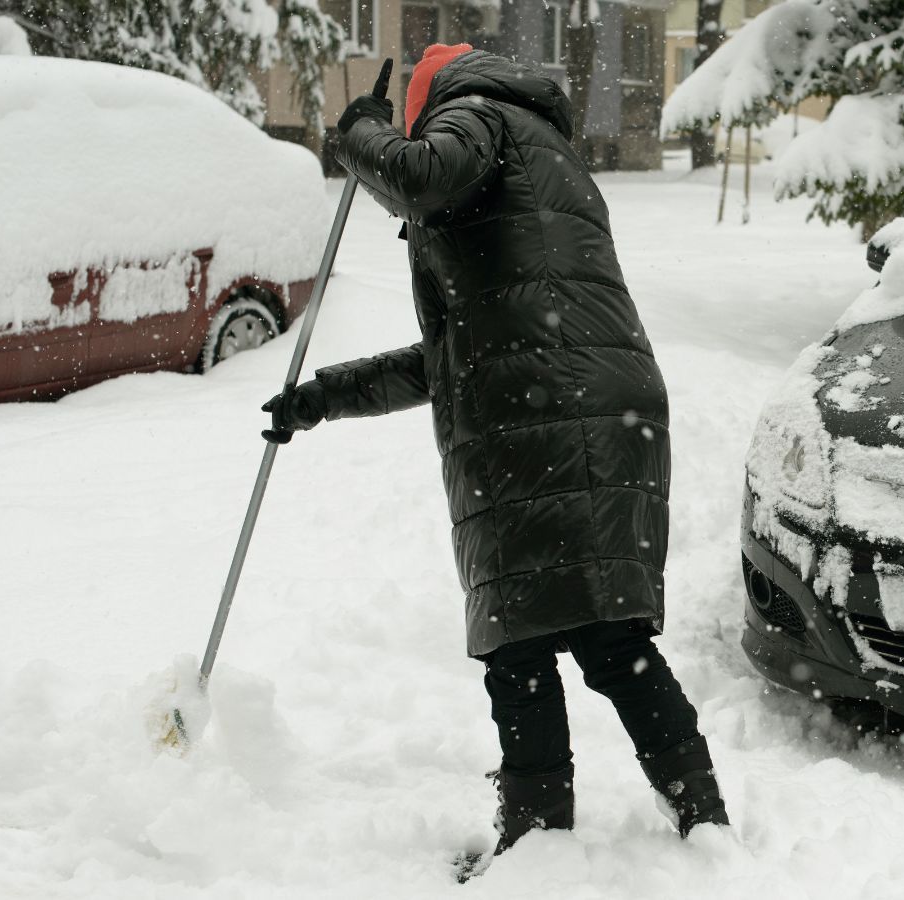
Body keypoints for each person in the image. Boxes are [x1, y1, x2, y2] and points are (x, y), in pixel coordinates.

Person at [262, 43, 729, 855]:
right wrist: (321, 399)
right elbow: (454, 359)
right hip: (586, 403)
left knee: (524, 643)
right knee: (606, 636)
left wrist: (359, 136)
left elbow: (419, 174)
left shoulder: (478, 116)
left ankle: (540, 842)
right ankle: (702, 819)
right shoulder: (534, 149)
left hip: (545, 410)